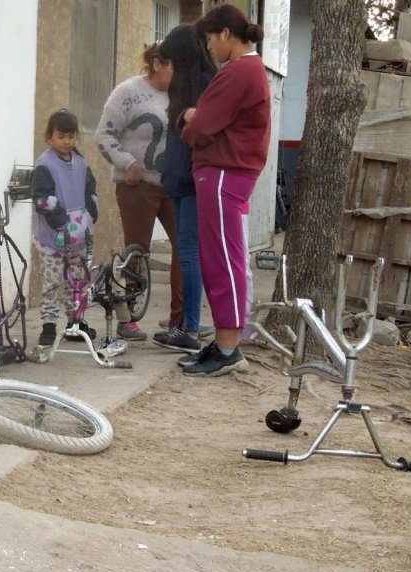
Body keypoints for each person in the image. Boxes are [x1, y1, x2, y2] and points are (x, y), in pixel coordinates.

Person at [179, 4, 270, 376]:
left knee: (222, 261)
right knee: (222, 258)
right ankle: (223, 343)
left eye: (211, 39)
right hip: (227, 172)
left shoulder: (239, 71)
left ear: (226, 35)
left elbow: (202, 127)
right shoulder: (250, 69)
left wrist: (189, 121)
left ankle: (229, 348)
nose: (210, 48)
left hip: (222, 172)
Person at [95, 43, 181, 341]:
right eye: (173, 66)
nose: (178, 73)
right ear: (157, 64)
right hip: (137, 186)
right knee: (137, 251)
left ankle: (178, 319)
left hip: (172, 186)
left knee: (184, 246)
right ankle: (127, 317)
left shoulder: (179, 95)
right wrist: (126, 162)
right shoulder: (128, 92)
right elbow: (103, 134)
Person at [153, 25, 218, 355]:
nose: (170, 66)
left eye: (172, 60)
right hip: (180, 178)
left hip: (193, 180)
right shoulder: (188, 85)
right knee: (186, 252)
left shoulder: (205, 85)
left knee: (189, 253)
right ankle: (187, 323)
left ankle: (189, 328)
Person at [31, 109, 99, 346]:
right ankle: (49, 325)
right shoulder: (45, 165)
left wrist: (90, 215)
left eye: (71, 137)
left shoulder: (81, 164)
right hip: (53, 237)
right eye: (61, 136)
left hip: (79, 237)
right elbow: (42, 198)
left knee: (77, 281)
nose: (67, 141)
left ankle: (75, 322)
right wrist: (60, 222)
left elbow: (91, 192)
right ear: (50, 136)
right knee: (51, 282)